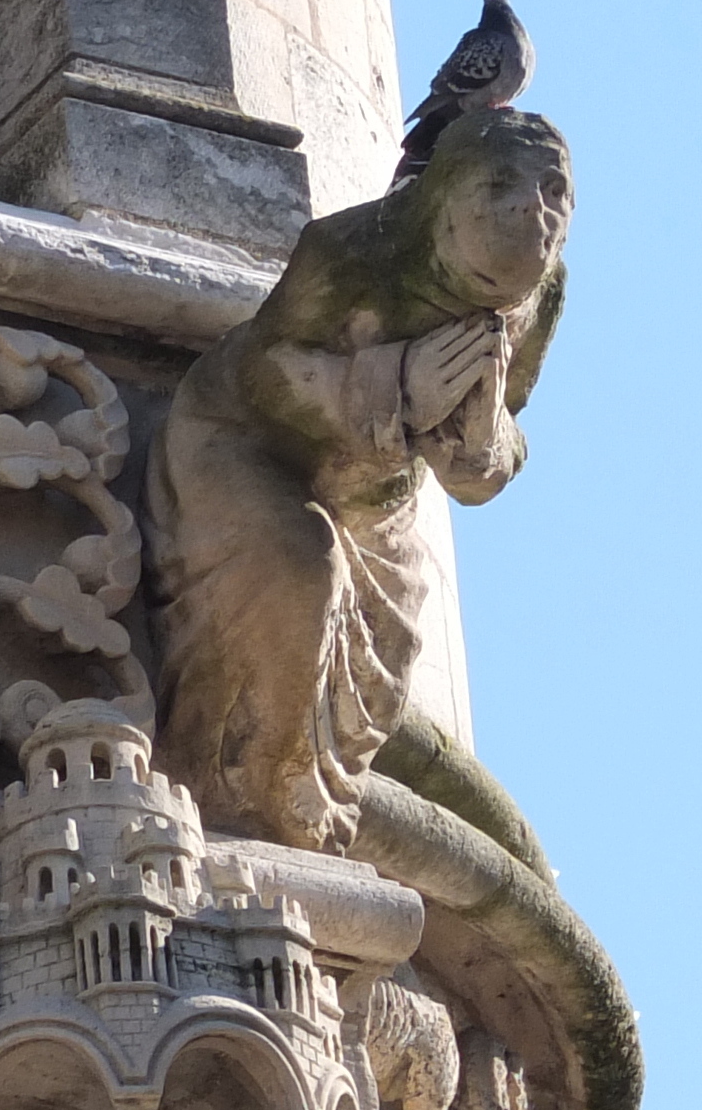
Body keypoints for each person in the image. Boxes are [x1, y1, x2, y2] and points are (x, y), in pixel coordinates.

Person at [149, 104, 569, 851]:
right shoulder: (353, 253)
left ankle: (295, 782)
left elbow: (496, 449)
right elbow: (263, 372)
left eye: (553, 192)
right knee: (300, 577)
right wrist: (397, 386)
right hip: (244, 447)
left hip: (374, 501)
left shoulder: (536, 300)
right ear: (440, 196)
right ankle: (257, 778)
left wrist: (476, 443)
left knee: (379, 655)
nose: (530, 212)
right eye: (499, 183)